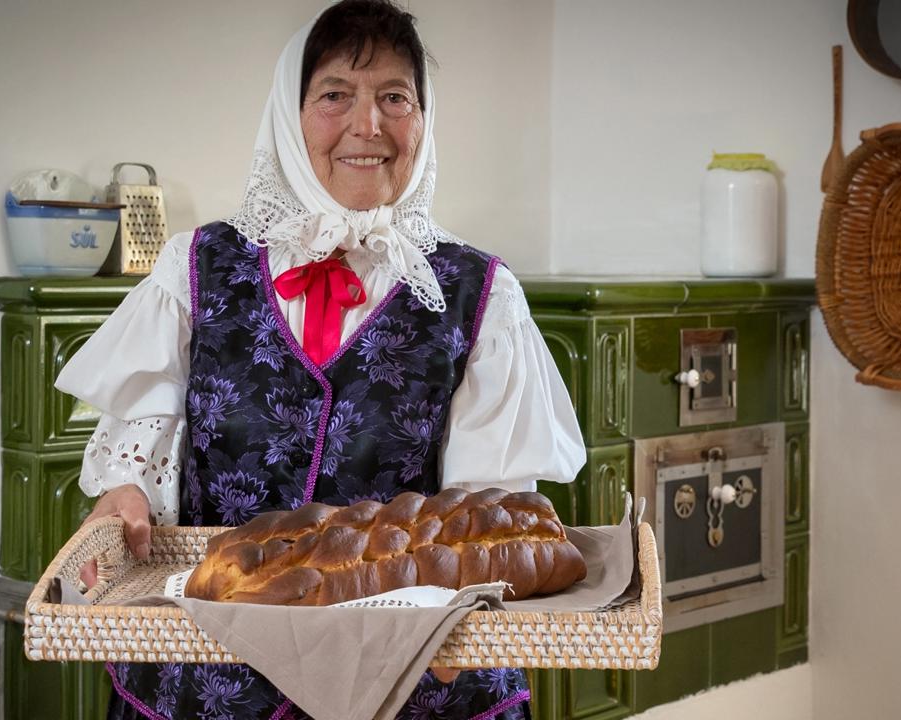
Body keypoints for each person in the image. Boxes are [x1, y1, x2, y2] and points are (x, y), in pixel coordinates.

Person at [55, 1, 585, 717]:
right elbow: (136, 461)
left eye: (395, 97)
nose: (369, 125)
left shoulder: (480, 294)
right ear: (289, 114)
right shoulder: (194, 268)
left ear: (423, 121)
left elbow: (480, 527)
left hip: (408, 680)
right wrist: (124, 498)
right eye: (336, 95)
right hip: (212, 678)